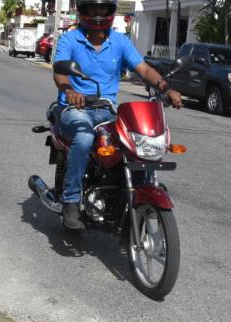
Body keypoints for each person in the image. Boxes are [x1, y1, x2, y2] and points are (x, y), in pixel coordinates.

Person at [53, 0, 182, 230]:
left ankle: (136, 191)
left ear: (111, 11)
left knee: (134, 140)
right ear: (83, 11)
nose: (98, 14)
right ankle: (71, 201)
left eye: (102, 9)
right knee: (84, 139)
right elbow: (60, 73)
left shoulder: (120, 41)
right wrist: (69, 90)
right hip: (75, 109)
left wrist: (165, 87)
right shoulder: (70, 40)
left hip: (107, 110)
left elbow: (143, 69)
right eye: (93, 9)